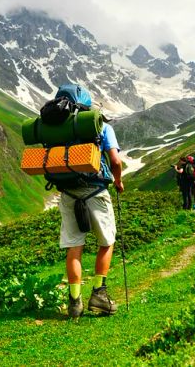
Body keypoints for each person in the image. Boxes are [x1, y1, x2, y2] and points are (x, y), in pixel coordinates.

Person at [58, 87, 124, 319]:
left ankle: (75, 302)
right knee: (107, 241)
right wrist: (118, 180)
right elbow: (115, 160)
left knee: (74, 247)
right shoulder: (101, 126)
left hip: (67, 193)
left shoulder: (56, 130)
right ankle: (99, 294)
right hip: (96, 190)